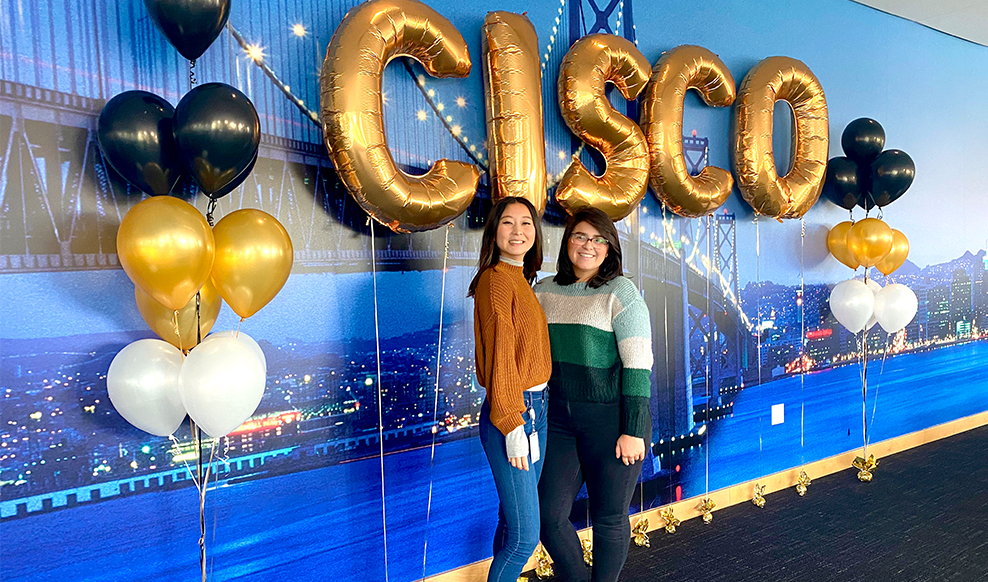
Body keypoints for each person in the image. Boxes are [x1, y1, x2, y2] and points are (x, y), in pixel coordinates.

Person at [534, 206, 653, 582]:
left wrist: (633, 429)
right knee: (547, 516)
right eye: (580, 236)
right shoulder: (544, 292)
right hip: (560, 422)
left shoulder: (621, 292)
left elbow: (638, 364)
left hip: (614, 421)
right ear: (567, 241)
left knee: (609, 518)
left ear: (610, 248)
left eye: (598, 239)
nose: (588, 245)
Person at [469, 196, 552, 582]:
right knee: (524, 539)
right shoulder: (496, 280)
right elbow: (501, 352)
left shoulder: (519, 278)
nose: (518, 231)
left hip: (536, 409)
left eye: (526, 223)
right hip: (515, 415)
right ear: (493, 230)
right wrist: (510, 420)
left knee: (511, 520)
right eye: (508, 223)